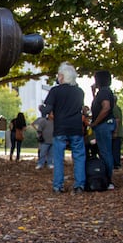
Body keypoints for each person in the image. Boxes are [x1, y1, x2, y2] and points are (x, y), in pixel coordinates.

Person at [39, 62, 86, 194]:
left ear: (62, 76)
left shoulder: (55, 91)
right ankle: (79, 185)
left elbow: (47, 109)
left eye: (59, 75)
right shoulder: (79, 92)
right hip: (76, 127)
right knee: (79, 156)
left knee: (58, 157)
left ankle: (58, 186)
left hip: (60, 128)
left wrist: (41, 108)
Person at [90, 70, 116, 190]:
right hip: (104, 125)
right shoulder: (103, 92)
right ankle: (105, 177)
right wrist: (93, 92)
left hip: (103, 125)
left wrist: (95, 122)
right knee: (104, 151)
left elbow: (106, 108)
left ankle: (108, 179)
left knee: (105, 152)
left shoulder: (104, 92)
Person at [111, 98, 123, 169]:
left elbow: (117, 120)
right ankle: (116, 163)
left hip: (117, 133)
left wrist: (115, 131)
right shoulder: (117, 108)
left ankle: (116, 164)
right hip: (118, 132)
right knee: (115, 148)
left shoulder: (114, 108)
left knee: (115, 149)